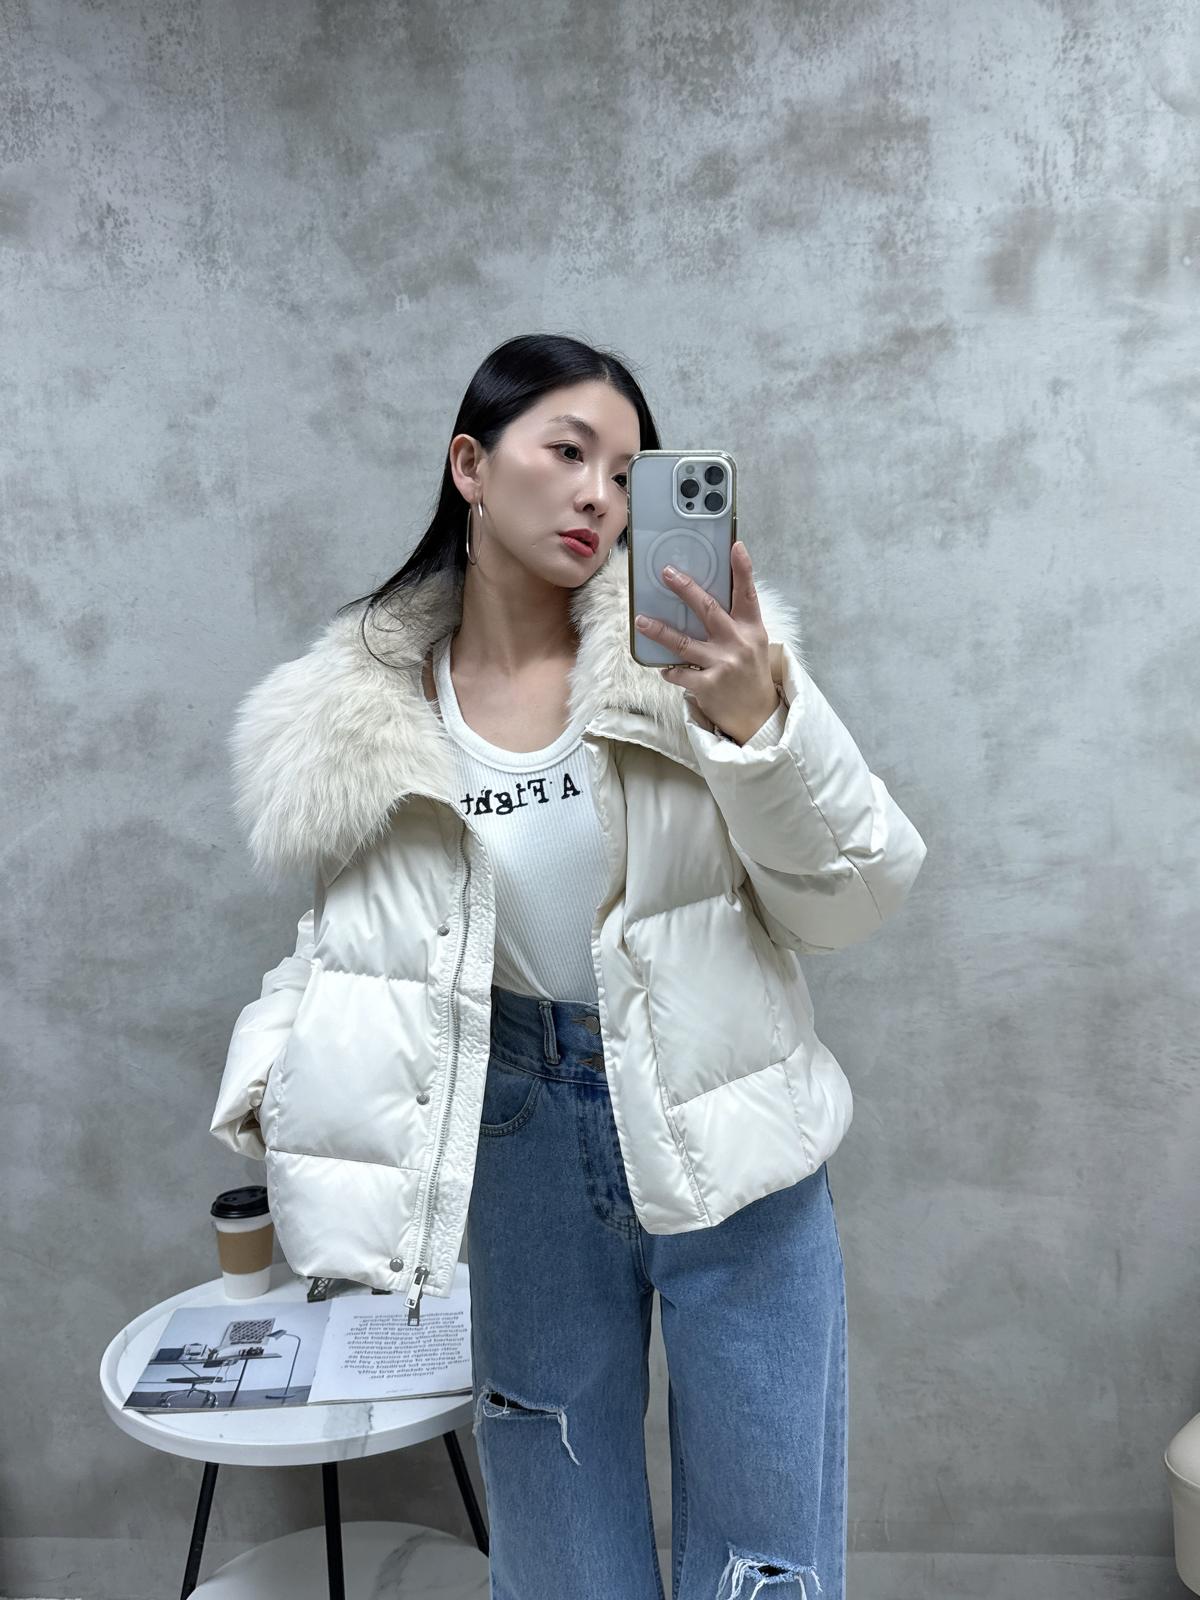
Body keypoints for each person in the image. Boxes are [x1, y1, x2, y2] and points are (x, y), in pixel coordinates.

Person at [209, 331, 928, 1600]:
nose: (600, 494)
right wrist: (270, 1078)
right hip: (519, 1133)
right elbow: (353, 945)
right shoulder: (367, 718)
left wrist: (761, 723)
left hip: (729, 1119)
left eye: (627, 473)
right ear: (472, 466)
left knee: (766, 1556)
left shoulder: (697, 665)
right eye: (569, 452)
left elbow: (852, 898)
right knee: (556, 1540)